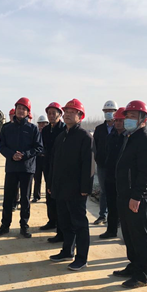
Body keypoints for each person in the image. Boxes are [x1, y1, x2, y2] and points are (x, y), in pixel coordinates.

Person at [113, 101, 147, 288]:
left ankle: (142, 275)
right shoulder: (130, 137)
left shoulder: (146, 140)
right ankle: (133, 265)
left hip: (137, 197)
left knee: (140, 236)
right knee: (129, 234)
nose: (128, 120)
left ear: (143, 119)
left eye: (132, 116)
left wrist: (137, 196)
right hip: (125, 194)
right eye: (127, 116)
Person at [48, 99, 95, 271]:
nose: (67, 114)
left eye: (72, 112)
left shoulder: (85, 137)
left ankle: (82, 258)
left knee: (79, 224)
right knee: (65, 222)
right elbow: (54, 163)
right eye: (66, 111)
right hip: (60, 188)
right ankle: (67, 251)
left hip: (76, 190)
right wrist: (51, 183)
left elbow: (88, 165)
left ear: (80, 116)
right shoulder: (61, 136)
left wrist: (85, 188)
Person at [0, 97, 43, 238]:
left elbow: (39, 147)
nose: (21, 111)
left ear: (28, 112)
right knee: (8, 198)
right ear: (15, 110)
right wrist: (12, 155)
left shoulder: (33, 129)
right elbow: (2, 147)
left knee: (25, 199)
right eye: (19, 108)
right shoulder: (7, 128)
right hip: (11, 168)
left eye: (24, 109)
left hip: (27, 169)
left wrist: (24, 155)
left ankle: (24, 226)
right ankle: (5, 225)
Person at [40, 102, 66, 243]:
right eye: (49, 113)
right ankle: (52, 221)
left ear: (60, 114)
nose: (51, 116)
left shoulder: (64, 129)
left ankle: (60, 227)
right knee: (49, 194)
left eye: (53, 113)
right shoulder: (45, 130)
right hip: (48, 166)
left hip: (59, 167)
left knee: (58, 197)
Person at [99, 107, 127, 239]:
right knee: (111, 204)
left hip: (123, 178)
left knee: (124, 207)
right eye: (116, 120)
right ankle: (111, 230)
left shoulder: (129, 138)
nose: (118, 123)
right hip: (110, 176)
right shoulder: (110, 137)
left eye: (121, 120)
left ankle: (127, 234)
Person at [93, 100, 118, 225]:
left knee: (116, 190)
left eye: (111, 111)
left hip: (116, 165)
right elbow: (95, 146)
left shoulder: (119, 128)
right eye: (106, 111)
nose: (108, 113)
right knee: (103, 190)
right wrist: (98, 159)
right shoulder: (99, 129)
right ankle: (102, 215)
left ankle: (116, 217)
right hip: (102, 164)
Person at [32, 115, 49, 202]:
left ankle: (48, 196)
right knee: (37, 179)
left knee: (48, 179)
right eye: (40, 123)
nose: (42, 125)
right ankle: (36, 196)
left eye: (44, 123)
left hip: (46, 159)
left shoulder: (49, 134)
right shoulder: (35, 134)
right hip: (37, 159)